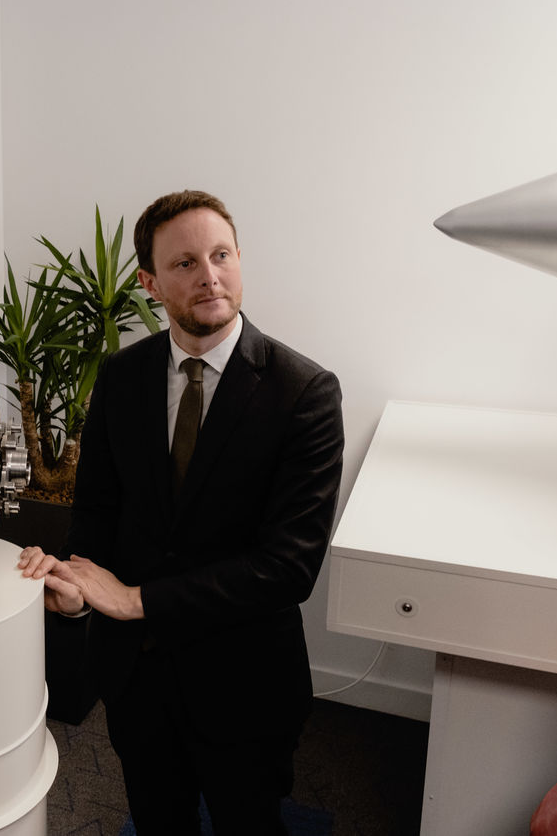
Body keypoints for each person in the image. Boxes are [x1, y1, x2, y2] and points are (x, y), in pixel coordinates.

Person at [18, 190, 344, 835]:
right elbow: (97, 512)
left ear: (239, 259)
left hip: (244, 682)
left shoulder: (304, 392)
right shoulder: (120, 377)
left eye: (221, 256)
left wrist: (136, 599)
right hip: (136, 678)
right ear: (150, 283)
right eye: (186, 263)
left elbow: (289, 568)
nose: (209, 276)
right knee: (158, 821)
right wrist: (79, 592)